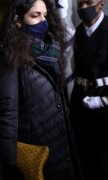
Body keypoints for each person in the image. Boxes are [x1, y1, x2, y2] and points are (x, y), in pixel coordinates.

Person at [0, 0, 82, 179]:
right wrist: (9, 165)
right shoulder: (7, 53)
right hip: (38, 146)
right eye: (35, 15)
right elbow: (7, 112)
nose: (43, 21)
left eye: (45, 15)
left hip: (63, 140)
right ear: (18, 20)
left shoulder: (52, 48)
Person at [70, 0, 108, 179]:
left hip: (105, 105)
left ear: (101, 4)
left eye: (89, 2)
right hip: (80, 103)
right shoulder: (78, 32)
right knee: (86, 159)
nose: (84, 8)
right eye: (80, 3)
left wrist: (103, 100)